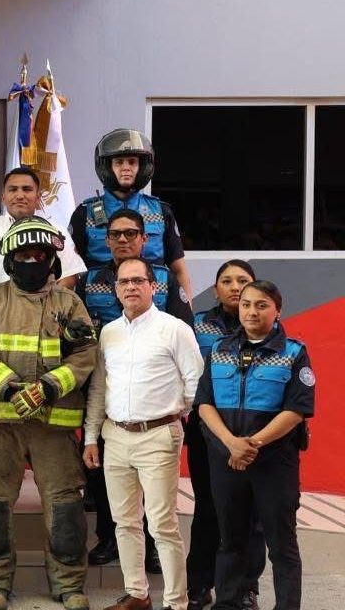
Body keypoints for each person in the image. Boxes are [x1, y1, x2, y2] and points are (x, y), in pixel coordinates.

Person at [0, 216, 97, 610]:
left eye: (39, 254)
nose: (32, 260)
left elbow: (87, 353)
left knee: (65, 507)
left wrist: (48, 387)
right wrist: (8, 387)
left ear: (52, 260)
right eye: (23, 254)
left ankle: (69, 585)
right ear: (9, 261)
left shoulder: (70, 303)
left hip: (54, 425)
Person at [82, 256, 204, 610]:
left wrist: (176, 414)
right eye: (124, 282)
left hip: (159, 435)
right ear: (115, 289)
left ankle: (175, 602)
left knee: (163, 525)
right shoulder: (109, 332)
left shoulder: (175, 329)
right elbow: (99, 390)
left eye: (138, 280)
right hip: (115, 435)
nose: (131, 287)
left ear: (154, 286)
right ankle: (137, 594)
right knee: (124, 522)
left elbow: (195, 383)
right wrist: (91, 437)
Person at [74, 208, 191, 571]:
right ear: (106, 241)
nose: (123, 240)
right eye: (115, 234)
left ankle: (154, 550)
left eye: (131, 233)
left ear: (144, 239)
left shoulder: (164, 279)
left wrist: (175, 409)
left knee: (156, 499)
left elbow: (182, 333)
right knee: (105, 477)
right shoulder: (87, 279)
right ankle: (108, 538)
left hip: (152, 401)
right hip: (103, 385)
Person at [195, 280, 313, 610]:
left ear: (278, 310)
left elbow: (297, 409)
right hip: (226, 460)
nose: (251, 311)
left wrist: (253, 445)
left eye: (261, 305)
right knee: (230, 540)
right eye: (246, 304)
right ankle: (228, 603)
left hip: (274, 464)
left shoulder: (293, 353)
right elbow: (204, 403)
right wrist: (232, 444)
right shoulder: (219, 348)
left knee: (281, 546)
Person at [185, 260, 265, 610]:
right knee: (207, 510)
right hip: (206, 431)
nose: (235, 287)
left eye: (242, 281)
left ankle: (247, 587)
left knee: (252, 514)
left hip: (253, 435)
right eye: (227, 281)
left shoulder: (266, 325)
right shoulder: (197, 324)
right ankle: (199, 586)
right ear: (215, 288)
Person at [68, 128, 193, 297]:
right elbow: (71, 272)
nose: (126, 168)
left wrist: (186, 313)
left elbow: (179, 269)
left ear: (142, 166)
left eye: (132, 162)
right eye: (119, 162)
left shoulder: (161, 211)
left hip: (152, 301)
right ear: (107, 167)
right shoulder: (85, 213)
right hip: (99, 302)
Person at [0, 167, 86, 309]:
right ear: (3, 197)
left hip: (47, 320)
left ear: (38, 197)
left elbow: (68, 278)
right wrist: (2, 312)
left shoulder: (57, 231)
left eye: (27, 189)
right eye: (13, 190)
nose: (20, 195)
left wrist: (42, 310)